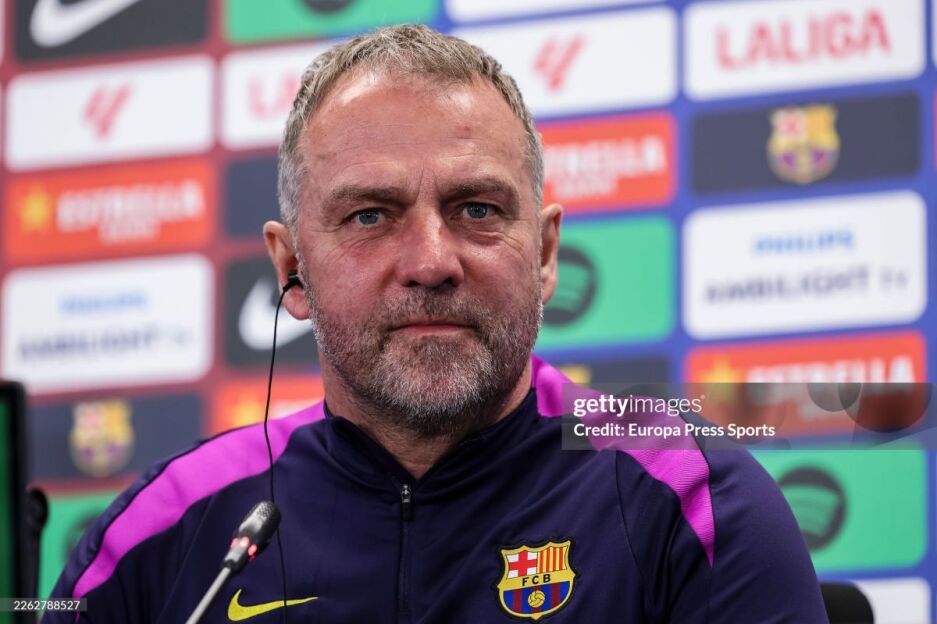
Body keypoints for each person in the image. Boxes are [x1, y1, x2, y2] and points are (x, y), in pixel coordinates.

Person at [44, 24, 827, 623]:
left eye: (476, 209)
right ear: (291, 270)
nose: (430, 261)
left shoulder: (695, 499)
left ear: (544, 253)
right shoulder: (163, 528)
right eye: (369, 215)